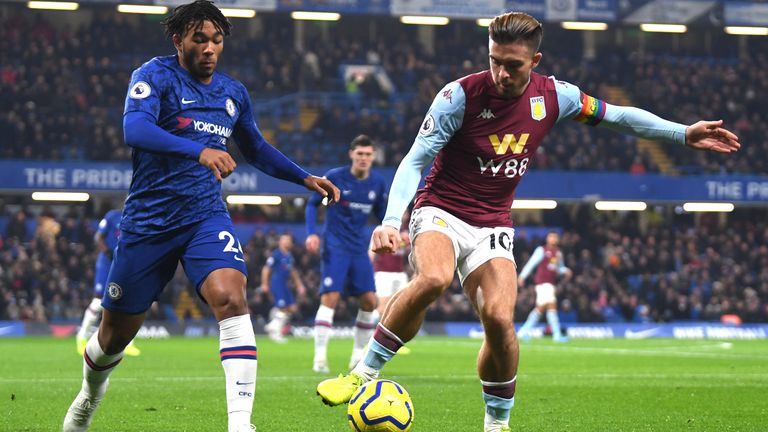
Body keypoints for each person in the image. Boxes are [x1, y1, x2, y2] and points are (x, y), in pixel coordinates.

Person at [316, 11, 740, 432]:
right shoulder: (457, 96)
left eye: (513, 64)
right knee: (434, 278)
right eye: (494, 60)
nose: (500, 72)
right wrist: (393, 219)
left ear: (535, 62)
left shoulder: (556, 96)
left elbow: (620, 117)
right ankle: (362, 374)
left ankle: (496, 425)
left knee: (501, 321)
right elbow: (415, 160)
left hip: (494, 225)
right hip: (441, 210)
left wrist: (682, 133)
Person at [62, 2, 339, 431]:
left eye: (217, 39)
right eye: (200, 39)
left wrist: (304, 178)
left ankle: (240, 424)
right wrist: (199, 150)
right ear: (178, 40)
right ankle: (87, 397)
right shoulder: (153, 76)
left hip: (205, 217)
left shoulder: (233, 93)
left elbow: (256, 148)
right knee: (113, 337)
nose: (210, 48)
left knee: (232, 297)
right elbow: (134, 130)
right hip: (148, 222)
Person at [305, 134, 388, 373]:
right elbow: (312, 204)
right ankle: (319, 358)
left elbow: (382, 215)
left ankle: (356, 357)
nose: (363, 158)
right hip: (335, 245)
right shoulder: (334, 177)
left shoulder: (377, 184)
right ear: (351, 154)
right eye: (360, 153)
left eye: (368, 154)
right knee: (330, 297)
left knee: (370, 302)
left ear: (373, 157)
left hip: (358, 249)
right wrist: (311, 233)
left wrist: (392, 231)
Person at [75, 209, 141, 357]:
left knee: (128, 302)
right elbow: (98, 237)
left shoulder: (137, 216)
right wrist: (108, 252)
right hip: (106, 263)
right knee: (98, 302)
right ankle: (81, 338)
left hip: (124, 264)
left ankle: (128, 343)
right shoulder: (112, 216)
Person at [516, 231, 572, 342]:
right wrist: (522, 276)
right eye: (551, 237)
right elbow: (531, 263)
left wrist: (566, 270)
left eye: (555, 237)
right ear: (547, 239)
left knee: (541, 308)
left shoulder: (558, 253)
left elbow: (558, 268)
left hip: (551, 283)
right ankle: (556, 335)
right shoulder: (541, 250)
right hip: (542, 283)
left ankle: (523, 331)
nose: (553, 239)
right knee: (551, 305)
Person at [368, 224, 412, 355]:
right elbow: (371, 252)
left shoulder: (406, 232)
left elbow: (408, 253)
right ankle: (371, 341)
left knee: (402, 308)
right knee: (382, 309)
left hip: (400, 273)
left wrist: (408, 244)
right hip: (383, 273)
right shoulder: (380, 229)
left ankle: (396, 343)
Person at [261, 233, 306, 343]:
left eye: (288, 240)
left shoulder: (289, 256)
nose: (287, 242)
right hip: (277, 283)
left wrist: (299, 285)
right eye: (284, 240)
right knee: (282, 308)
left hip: (285, 284)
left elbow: (293, 271)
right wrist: (264, 284)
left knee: (292, 308)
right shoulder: (276, 254)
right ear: (280, 242)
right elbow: (266, 269)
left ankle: (272, 326)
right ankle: (275, 333)